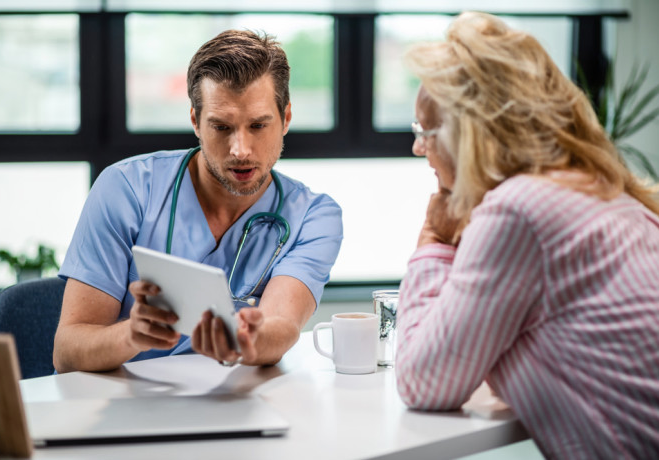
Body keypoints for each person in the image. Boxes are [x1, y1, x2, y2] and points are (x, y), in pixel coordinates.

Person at [395, 11, 659, 459]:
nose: (418, 147)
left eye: (426, 130)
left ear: (468, 132)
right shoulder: (605, 191)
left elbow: (422, 382)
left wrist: (434, 241)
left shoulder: (519, 210)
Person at [53, 30, 343, 373]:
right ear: (195, 121)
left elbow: (281, 328)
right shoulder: (126, 189)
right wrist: (130, 335)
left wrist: (245, 339)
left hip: (232, 405)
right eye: (221, 127)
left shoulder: (313, 216)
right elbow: (67, 350)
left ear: (286, 119)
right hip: (125, 406)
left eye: (258, 125)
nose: (241, 150)